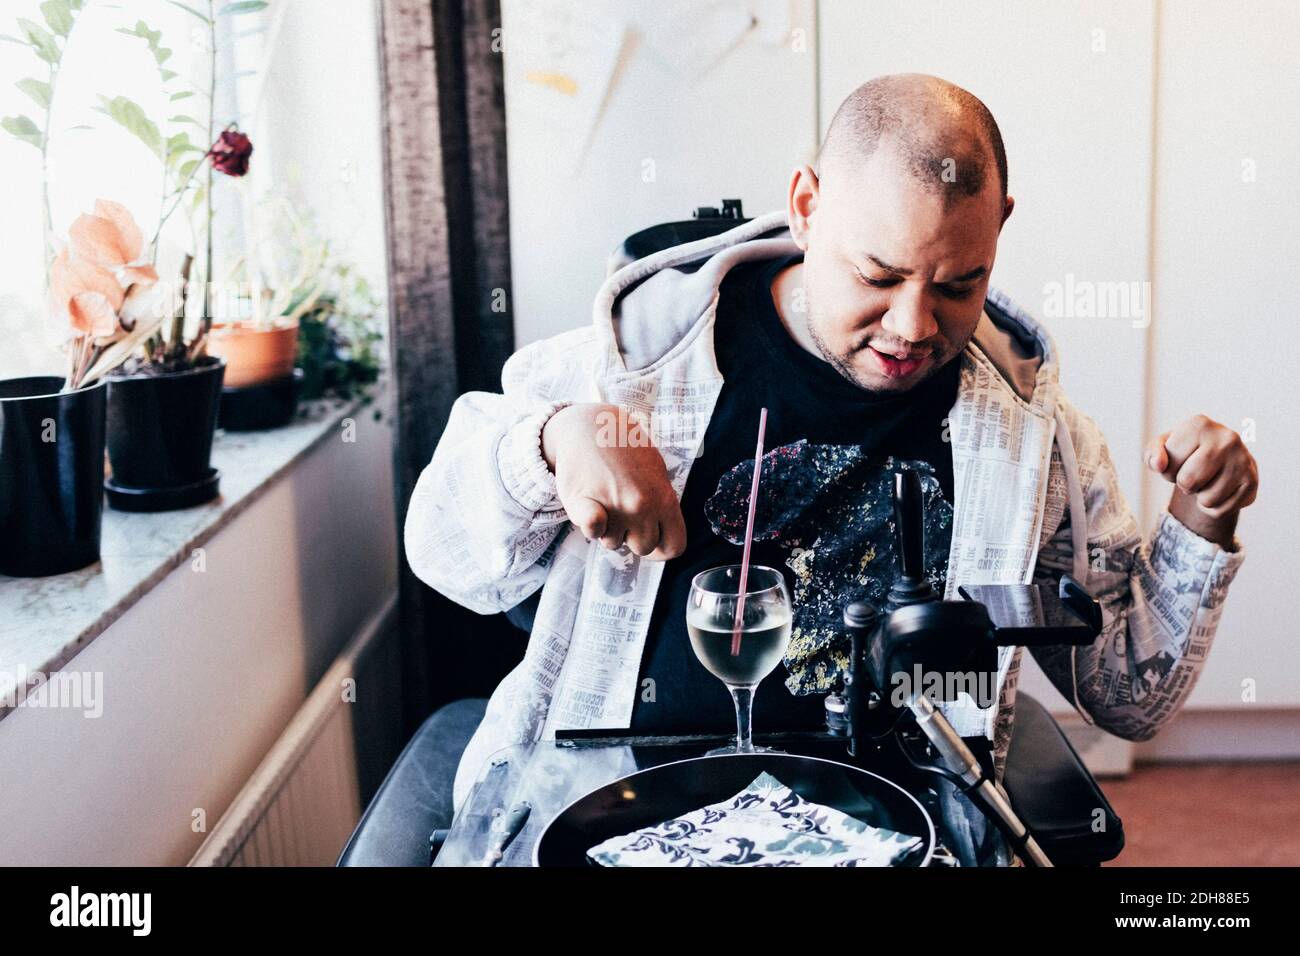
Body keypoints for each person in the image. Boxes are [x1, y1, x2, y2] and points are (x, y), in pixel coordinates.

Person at [405, 74, 1258, 814]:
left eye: (960, 284)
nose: (913, 327)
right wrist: (556, 443)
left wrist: (1201, 518)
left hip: (910, 816)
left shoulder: (1037, 436)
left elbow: (1127, 695)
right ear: (807, 206)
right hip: (617, 801)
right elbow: (443, 552)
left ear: (1000, 225)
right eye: (878, 276)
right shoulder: (634, 360)